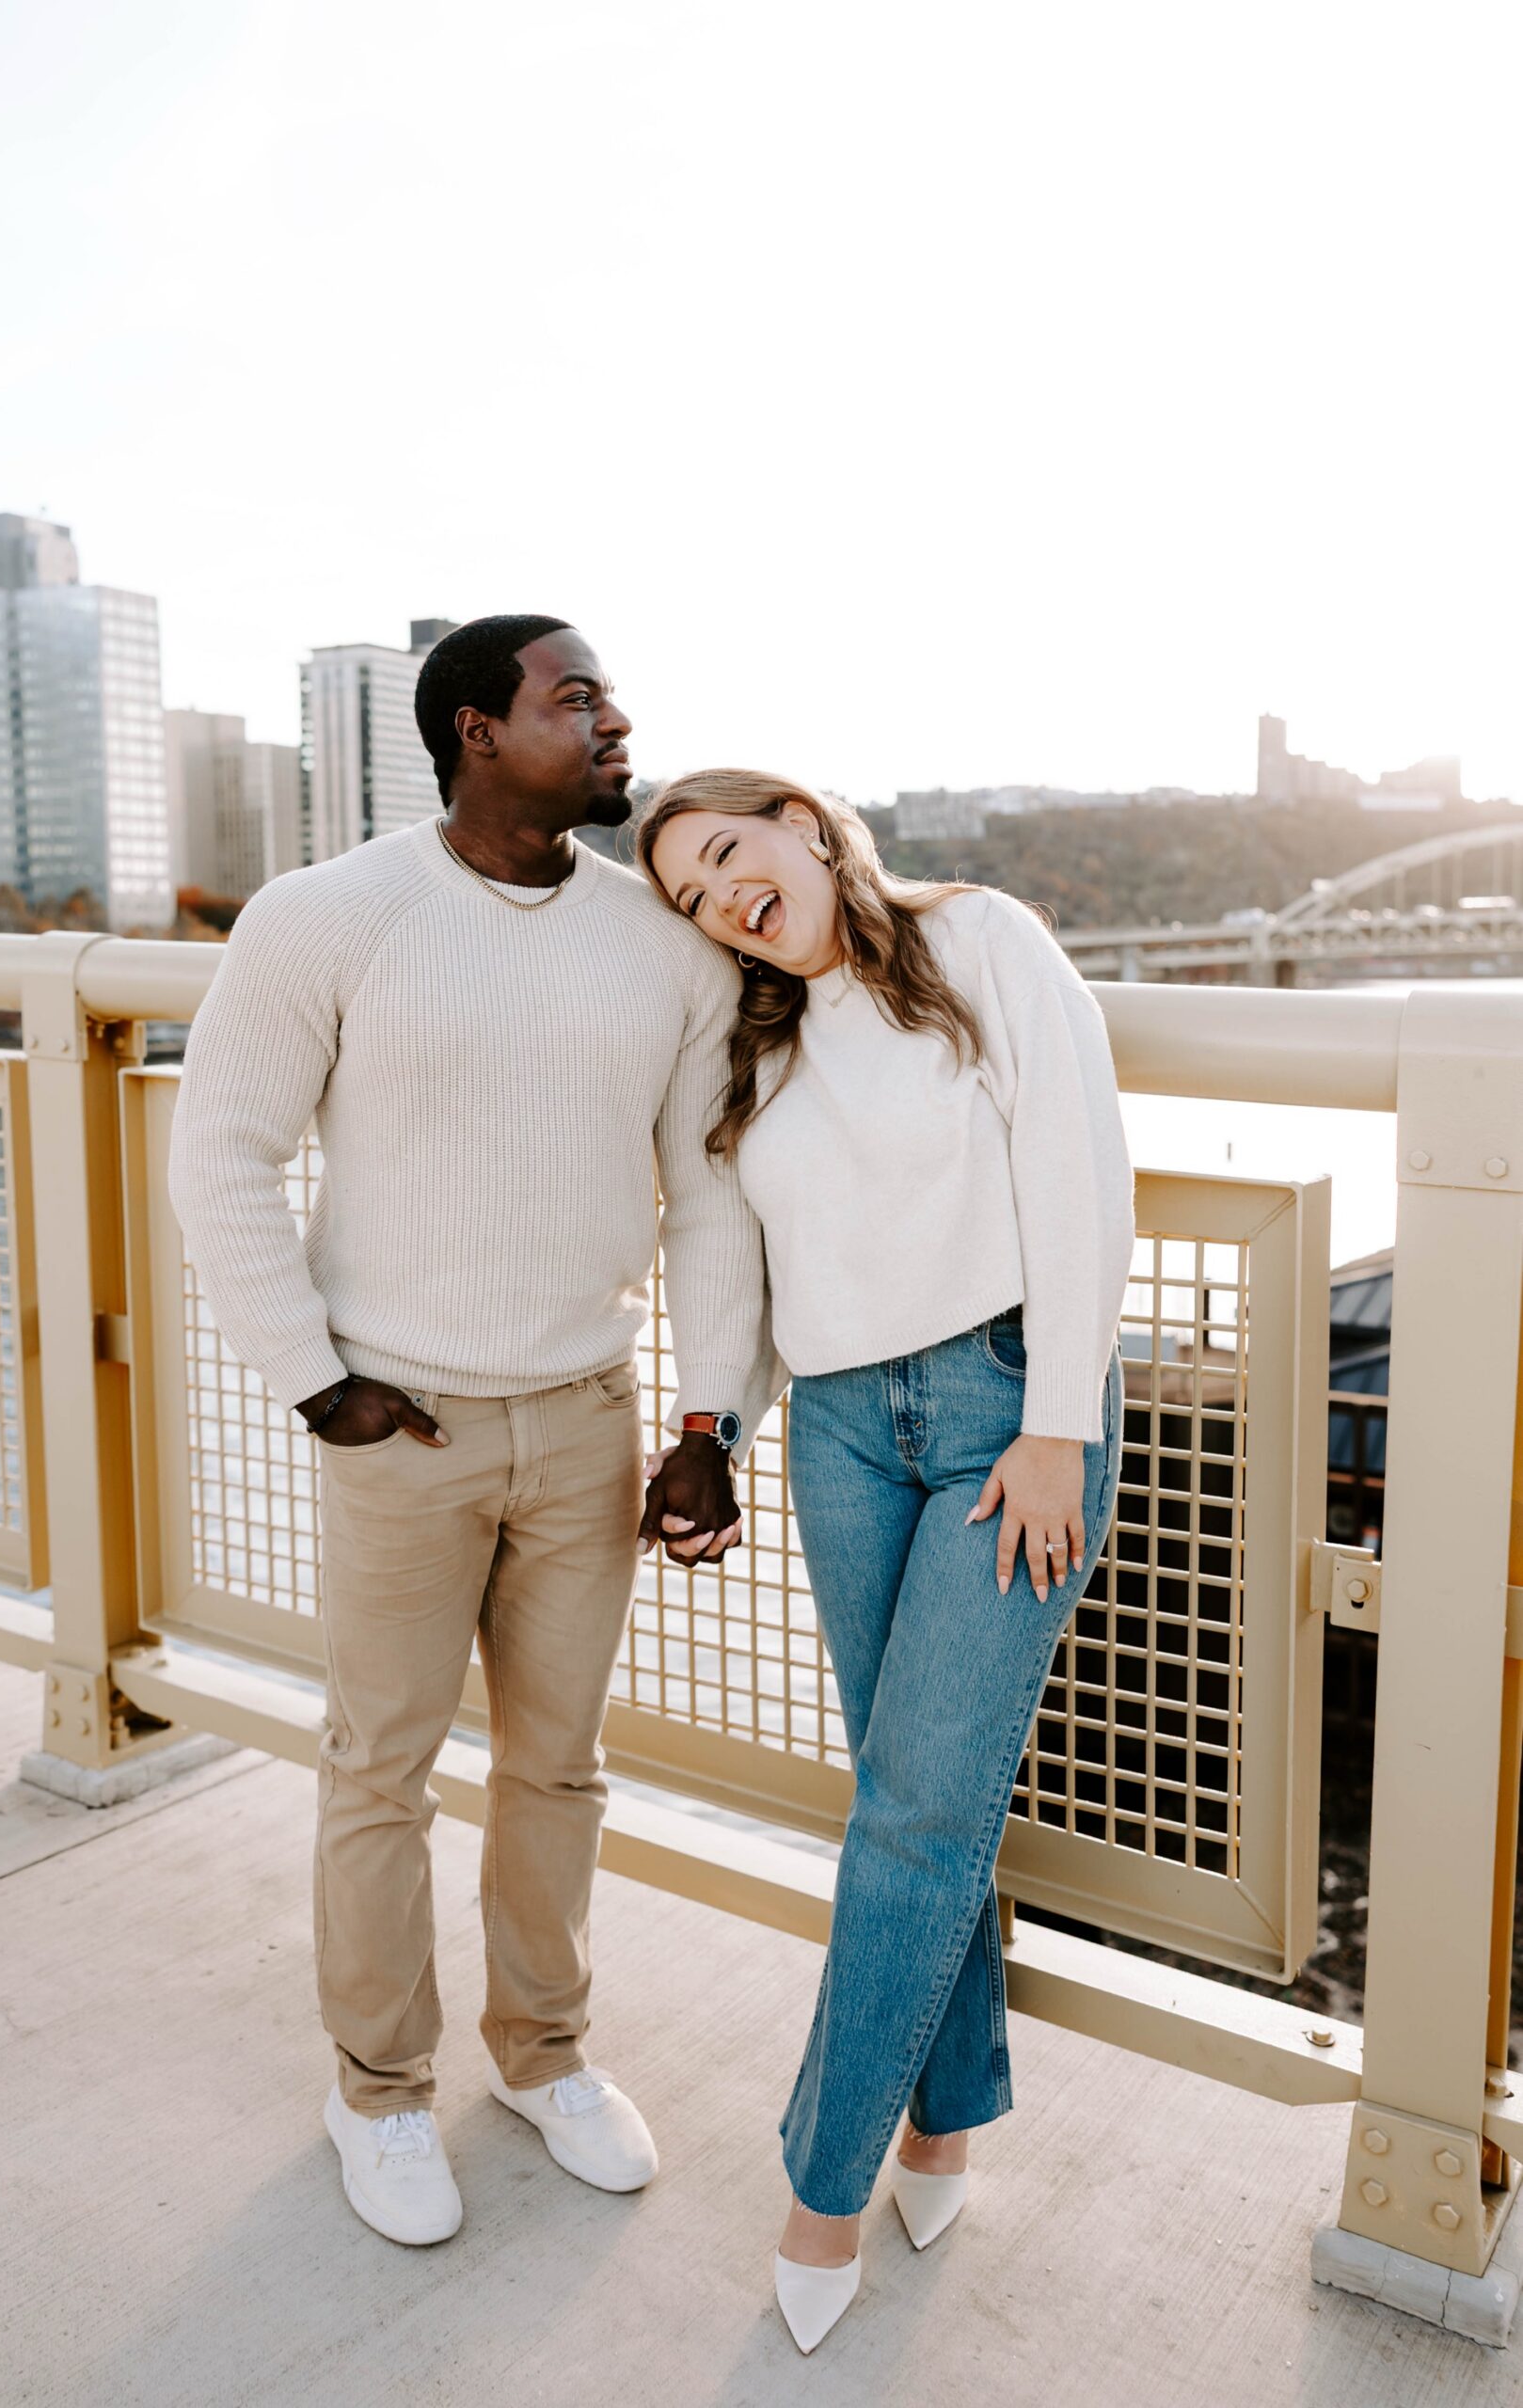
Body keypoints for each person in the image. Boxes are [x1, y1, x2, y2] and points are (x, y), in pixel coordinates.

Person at [168, 618, 775, 2250]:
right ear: (475, 730)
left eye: (608, 694)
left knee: (559, 1769)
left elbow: (710, 1198)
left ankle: (545, 2057)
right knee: (379, 1770)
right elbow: (219, 1154)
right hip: (400, 1428)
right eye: (575, 698)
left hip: (592, 1419)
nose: (614, 718)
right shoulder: (329, 917)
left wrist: (712, 1419)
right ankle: (376, 2090)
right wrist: (315, 1379)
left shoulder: (665, 940)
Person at [638, 768, 1133, 2353]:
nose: (724, 902)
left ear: (799, 817)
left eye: (727, 857)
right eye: (693, 898)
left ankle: (820, 2191)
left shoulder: (984, 941)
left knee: (918, 1807)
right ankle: (942, 2122)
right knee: (916, 1798)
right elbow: (731, 1247)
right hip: (843, 1432)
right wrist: (709, 1423)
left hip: (1008, 1422)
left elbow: (1078, 1167)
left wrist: (1059, 1422)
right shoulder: (756, 1041)